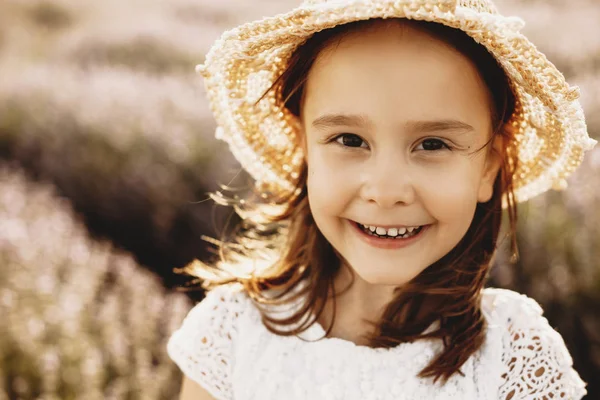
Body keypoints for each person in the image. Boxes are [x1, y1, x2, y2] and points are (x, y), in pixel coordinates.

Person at [166, 0, 596, 399]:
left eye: (432, 144)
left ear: (489, 167)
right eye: (349, 139)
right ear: (304, 150)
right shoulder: (233, 329)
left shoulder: (512, 353)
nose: (386, 192)